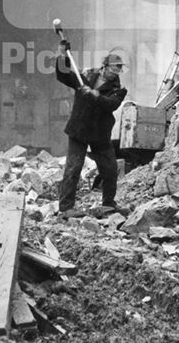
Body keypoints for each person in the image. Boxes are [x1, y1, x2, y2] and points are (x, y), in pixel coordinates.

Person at [55, 40, 128, 215]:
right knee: (73, 168)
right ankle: (66, 208)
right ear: (104, 67)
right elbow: (63, 75)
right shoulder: (85, 76)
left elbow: (111, 105)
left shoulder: (119, 89)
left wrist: (95, 95)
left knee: (110, 170)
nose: (117, 72)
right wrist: (62, 55)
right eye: (114, 68)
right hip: (79, 129)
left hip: (100, 133)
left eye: (119, 69)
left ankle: (109, 204)